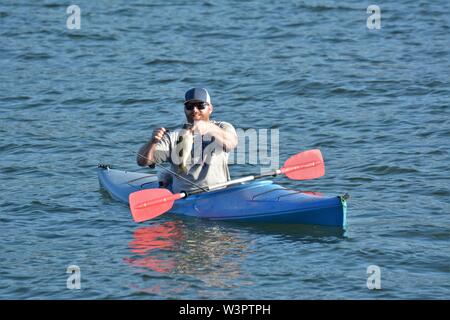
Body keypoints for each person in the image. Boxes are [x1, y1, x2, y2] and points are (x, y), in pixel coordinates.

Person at [137, 88, 238, 193]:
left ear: (210, 108)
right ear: (185, 109)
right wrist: (152, 142)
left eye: (200, 105)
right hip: (186, 196)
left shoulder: (222, 127)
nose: (194, 110)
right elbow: (142, 161)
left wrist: (209, 128)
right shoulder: (173, 137)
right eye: (190, 106)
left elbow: (231, 143)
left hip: (219, 192)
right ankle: (166, 181)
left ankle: (167, 178)